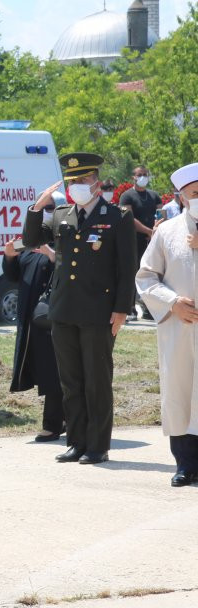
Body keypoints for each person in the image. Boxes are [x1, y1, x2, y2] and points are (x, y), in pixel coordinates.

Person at [23, 153, 136, 465]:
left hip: (99, 311)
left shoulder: (117, 216)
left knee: (96, 380)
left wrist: (122, 309)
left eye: (83, 180)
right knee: (70, 382)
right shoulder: (60, 215)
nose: (77, 186)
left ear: (96, 182)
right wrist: (36, 207)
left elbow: (127, 267)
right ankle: (76, 442)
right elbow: (30, 239)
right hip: (64, 309)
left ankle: (97, 445)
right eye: (72, 181)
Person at [136, 162, 198, 487]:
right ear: (183, 197)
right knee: (180, 391)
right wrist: (173, 303)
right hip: (180, 328)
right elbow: (146, 276)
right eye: (195, 193)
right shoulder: (166, 231)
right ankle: (185, 464)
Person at [3, 191, 65, 442]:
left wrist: (51, 255)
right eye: (40, 208)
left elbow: (74, 267)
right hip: (31, 319)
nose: (44, 212)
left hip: (56, 316)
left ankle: (53, 423)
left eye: (49, 207)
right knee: (42, 370)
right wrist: (9, 255)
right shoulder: (29, 239)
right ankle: (64, 418)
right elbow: (13, 273)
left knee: (57, 371)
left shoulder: (68, 234)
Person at [120, 165, 162, 321]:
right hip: (134, 240)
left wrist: (157, 232)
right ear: (134, 177)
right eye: (140, 174)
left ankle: (149, 309)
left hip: (153, 240)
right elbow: (129, 218)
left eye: (145, 174)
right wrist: (149, 231)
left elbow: (160, 214)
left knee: (154, 273)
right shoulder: (127, 196)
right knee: (132, 273)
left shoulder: (154, 195)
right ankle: (129, 307)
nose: (143, 177)